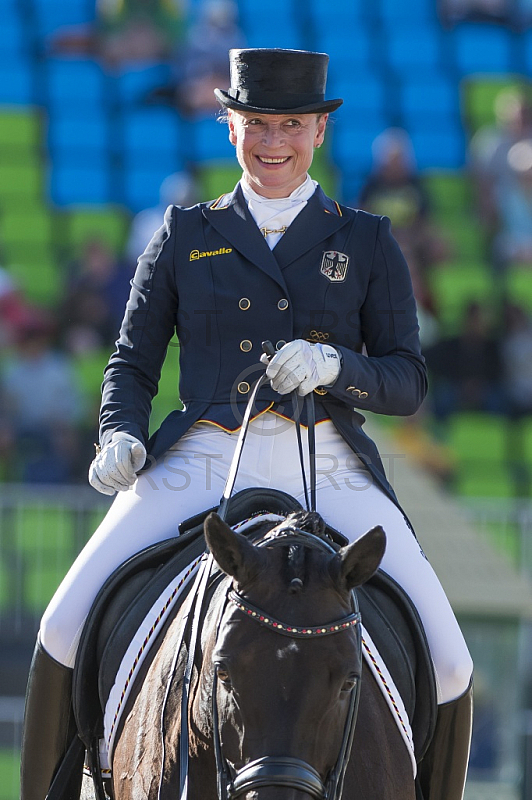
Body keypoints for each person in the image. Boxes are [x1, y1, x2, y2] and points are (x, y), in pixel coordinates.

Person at [20, 49, 473, 800]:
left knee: (450, 659)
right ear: (229, 125)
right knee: (61, 625)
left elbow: (407, 380)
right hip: (199, 456)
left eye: (291, 124)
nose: (273, 141)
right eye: (257, 122)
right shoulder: (183, 232)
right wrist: (119, 433)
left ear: (318, 133)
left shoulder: (364, 239)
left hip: (324, 463)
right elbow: (132, 363)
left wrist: (336, 368)